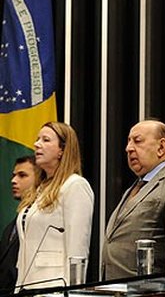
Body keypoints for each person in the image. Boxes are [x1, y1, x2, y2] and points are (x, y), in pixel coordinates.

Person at [102, 120, 165, 279]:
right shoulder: (135, 187)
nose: (128, 148)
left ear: (161, 147)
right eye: (128, 141)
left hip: (148, 290)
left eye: (137, 141)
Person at [15, 122, 94, 290]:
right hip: (26, 285)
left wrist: (72, 290)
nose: (37, 144)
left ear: (62, 150)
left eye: (45, 140)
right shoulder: (39, 188)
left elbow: (77, 249)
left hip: (55, 286)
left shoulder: (75, 185)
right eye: (37, 139)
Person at [0, 156, 37, 293]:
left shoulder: (40, 223)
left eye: (22, 175)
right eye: (14, 175)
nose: (13, 181)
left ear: (39, 178)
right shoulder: (10, 228)